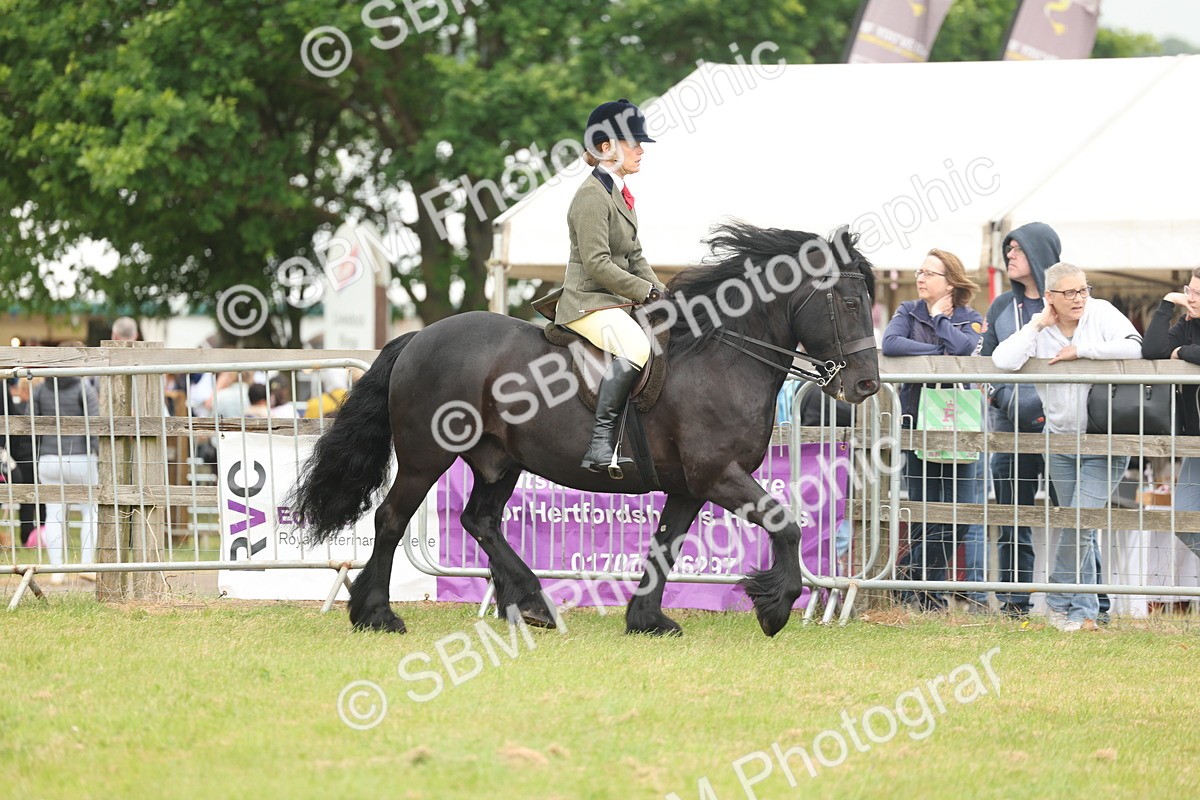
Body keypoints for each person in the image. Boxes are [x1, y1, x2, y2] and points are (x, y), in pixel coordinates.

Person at [992, 263, 1143, 632]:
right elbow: (1002, 360)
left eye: (1082, 290)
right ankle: (1085, 612)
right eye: (1069, 293)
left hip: (1104, 440)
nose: (1078, 299)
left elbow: (1134, 347)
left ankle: (1064, 607)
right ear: (1050, 297)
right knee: (1080, 526)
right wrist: (1037, 324)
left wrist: (1082, 352)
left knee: (1079, 523)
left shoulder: (1102, 312)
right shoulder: (1039, 328)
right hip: (1058, 441)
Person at [553, 98, 666, 478]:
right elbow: (598, 263)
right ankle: (600, 445)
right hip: (587, 302)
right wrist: (643, 292)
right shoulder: (591, 196)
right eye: (632, 142)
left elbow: (635, 256)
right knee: (635, 346)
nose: (639, 149)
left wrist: (662, 293)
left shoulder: (620, 195)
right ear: (606, 148)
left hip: (613, 301)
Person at [882, 249, 986, 612]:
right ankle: (927, 597)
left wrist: (941, 324)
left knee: (958, 516)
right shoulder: (907, 311)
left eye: (929, 273)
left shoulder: (970, 317)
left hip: (962, 429)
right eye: (919, 271)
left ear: (950, 282)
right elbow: (891, 345)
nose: (920, 278)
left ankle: (909, 577)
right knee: (926, 513)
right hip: (916, 426)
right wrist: (937, 350)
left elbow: (965, 348)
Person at [980, 222, 1063, 618]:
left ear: (1039, 252)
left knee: (1078, 520)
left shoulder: (1071, 300)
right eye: (1007, 248)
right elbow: (984, 366)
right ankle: (1015, 606)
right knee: (1014, 521)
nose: (1009, 254)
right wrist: (1005, 397)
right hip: (1009, 432)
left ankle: (1087, 605)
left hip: (1065, 430)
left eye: (1017, 248)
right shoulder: (999, 307)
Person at [1141, 266, 1200, 563]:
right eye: (1190, 291)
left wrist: (1181, 353)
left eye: (1198, 294)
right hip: (1195, 444)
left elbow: (1185, 352)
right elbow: (1151, 349)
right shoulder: (1187, 324)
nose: (1192, 298)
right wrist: (1167, 301)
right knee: (1184, 519)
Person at [33, 350, 101, 584]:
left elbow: (29, 420)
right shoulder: (84, 388)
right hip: (81, 456)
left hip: (49, 457)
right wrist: (98, 453)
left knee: (53, 513)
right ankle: (87, 564)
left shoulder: (41, 389)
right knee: (90, 510)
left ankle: (57, 569)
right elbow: (95, 424)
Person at [4, 378, 45, 546]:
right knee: (42, 500)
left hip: (20, 460)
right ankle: (42, 535)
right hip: (38, 458)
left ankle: (26, 537)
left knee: (25, 501)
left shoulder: (15, 409)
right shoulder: (39, 411)